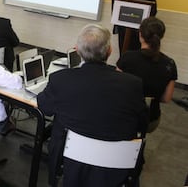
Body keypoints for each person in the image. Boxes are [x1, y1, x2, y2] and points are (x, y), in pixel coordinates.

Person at [37, 24, 147, 187]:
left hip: (70, 166)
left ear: (78, 50)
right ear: (109, 52)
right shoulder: (133, 84)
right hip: (116, 170)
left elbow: (44, 107)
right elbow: (142, 124)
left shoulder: (60, 79)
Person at [117, 17, 177, 133]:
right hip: (151, 119)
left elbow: (116, 88)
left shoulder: (127, 57)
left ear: (140, 35)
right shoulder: (170, 63)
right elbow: (166, 98)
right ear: (161, 37)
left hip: (124, 114)